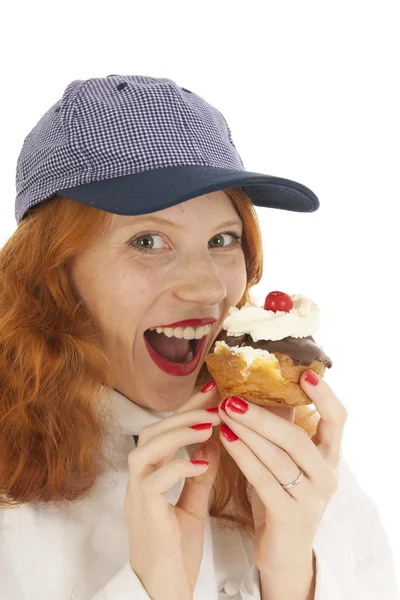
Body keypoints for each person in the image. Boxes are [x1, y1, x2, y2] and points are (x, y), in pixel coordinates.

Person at [0, 74, 398, 600]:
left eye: (222, 239)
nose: (210, 287)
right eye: (148, 240)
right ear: (51, 273)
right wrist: (151, 589)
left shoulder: (300, 458)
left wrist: (294, 577)